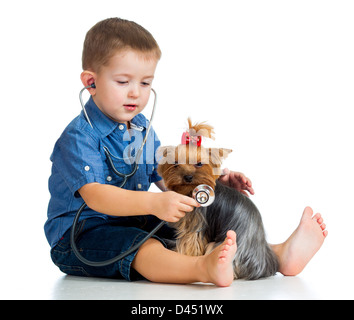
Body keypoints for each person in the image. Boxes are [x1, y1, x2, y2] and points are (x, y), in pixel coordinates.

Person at [45, 17, 327, 287]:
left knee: (195, 225)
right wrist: (154, 204)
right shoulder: (79, 137)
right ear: (91, 82)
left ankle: (276, 255)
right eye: (123, 82)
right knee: (143, 246)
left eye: (145, 83)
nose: (135, 93)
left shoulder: (141, 128)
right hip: (80, 237)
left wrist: (210, 184)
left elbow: (168, 178)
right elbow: (96, 196)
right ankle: (202, 268)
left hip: (134, 220)